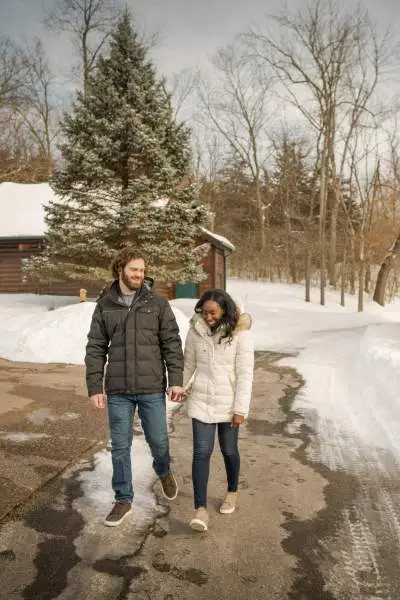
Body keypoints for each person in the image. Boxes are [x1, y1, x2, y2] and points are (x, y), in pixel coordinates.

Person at [85, 247, 185, 527]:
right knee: (120, 447)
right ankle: (123, 499)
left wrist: (176, 379)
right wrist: (95, 387)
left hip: (152, 387)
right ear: (121, 270)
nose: (139, 275)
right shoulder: (105, 304)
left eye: (142, 270)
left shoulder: (157, 303)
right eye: (134, 270)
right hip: (118, 390)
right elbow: (95, 347)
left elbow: (172, 345)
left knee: (158, 442)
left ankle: (164, 471)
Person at [180, 289, 254, 532]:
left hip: (229, 403)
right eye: (204, 312)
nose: (208, 317)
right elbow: (189, 364)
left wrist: (240, 409)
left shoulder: (240, 334)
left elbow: (245, 375)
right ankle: (200, 509)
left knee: (229, 450)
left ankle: (232, 490)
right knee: (201, 452)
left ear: (225, 310)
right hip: (201, 400)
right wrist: (178, 385)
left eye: (213, 312)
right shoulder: (195, 332)